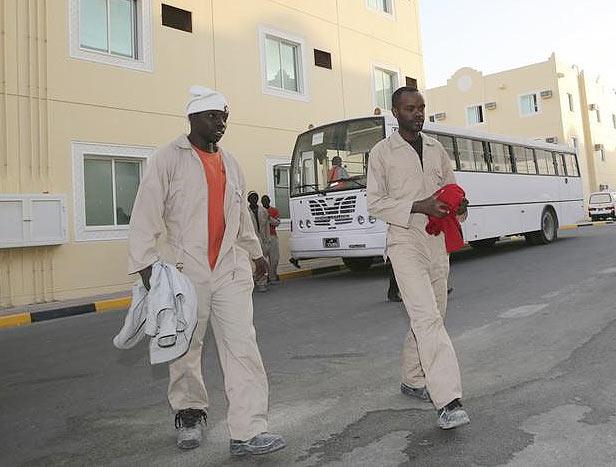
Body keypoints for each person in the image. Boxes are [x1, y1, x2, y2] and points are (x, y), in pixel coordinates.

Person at [127, 85, 285, 456]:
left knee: (243, 346)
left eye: (225, 116)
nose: (221, 123)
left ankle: (248, 431)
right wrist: (147, 266)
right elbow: (145, 213)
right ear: (193, 117)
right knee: (185, 346)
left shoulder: (231, 163)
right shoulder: (168, 158)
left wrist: (256, 252)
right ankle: (190, 412)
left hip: (229, 269)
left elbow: (240, 218)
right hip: (184, 270)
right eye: (214, 116)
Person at [367, 86, 470, 430]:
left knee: (435, 314)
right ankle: (448, 400)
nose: (418, 114)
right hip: (404, 241)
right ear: (395, 112)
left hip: (436, 241)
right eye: (410, 108)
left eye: (422, 108)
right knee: (427, 319)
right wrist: (419, 205)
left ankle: (412, 378)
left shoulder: (436, 147)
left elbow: (452, 188)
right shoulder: (382, 152)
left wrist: (458, 205)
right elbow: (375, 203)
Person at [248, 191, 271, 292]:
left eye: (256, 197)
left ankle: (262, 283)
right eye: (252, 198)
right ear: (249, 200)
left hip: (262, 240)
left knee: (262, 261)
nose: (254, 199)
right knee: (252, 263)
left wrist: (267, 240)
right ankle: (252, 282)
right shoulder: (245, 211)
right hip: (251, 240)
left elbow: (266, 227)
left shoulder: (263, 211)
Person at [261, 195, 281, 283]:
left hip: (272, 237)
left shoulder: (274, 210)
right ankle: (264, 277)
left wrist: (269, 218)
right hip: (263, 238)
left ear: (269, 201)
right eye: (263, 201)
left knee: (274, 258)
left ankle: (272, 276)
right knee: (263, 260)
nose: (265, 202)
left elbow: (277, 223)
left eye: (267, 200)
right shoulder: (260, 211)